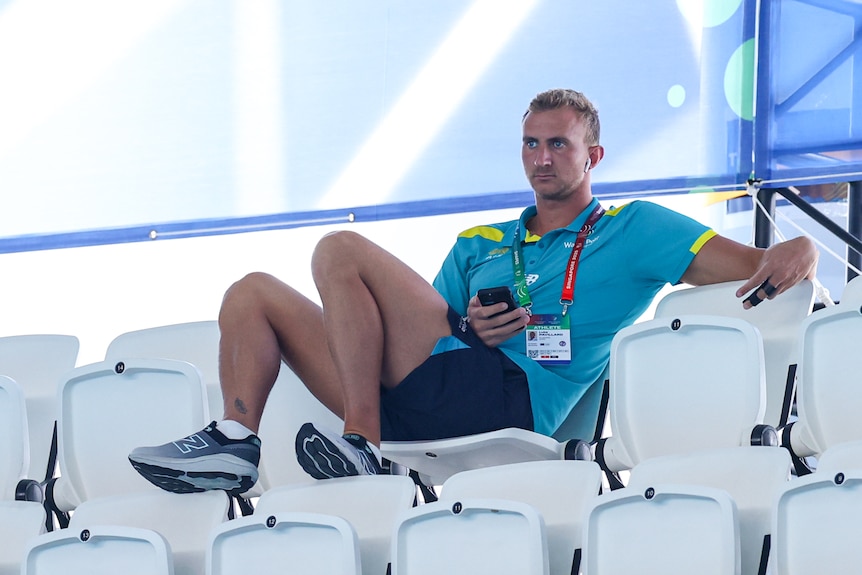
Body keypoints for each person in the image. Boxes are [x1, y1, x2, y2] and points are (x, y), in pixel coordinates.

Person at [129, 88, 818, 494]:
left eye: (558, 144)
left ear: (593, 156)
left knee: (337, 247)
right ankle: (235, 442)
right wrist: (468, 329)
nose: (541, 158)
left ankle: (360, 443)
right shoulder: (478, 243)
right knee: (250, 292)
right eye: (530, 144)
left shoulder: (633, 228)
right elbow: (424, 334)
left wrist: (805, 245)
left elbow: (757, 261)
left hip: (511, 404)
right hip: (418, 399)